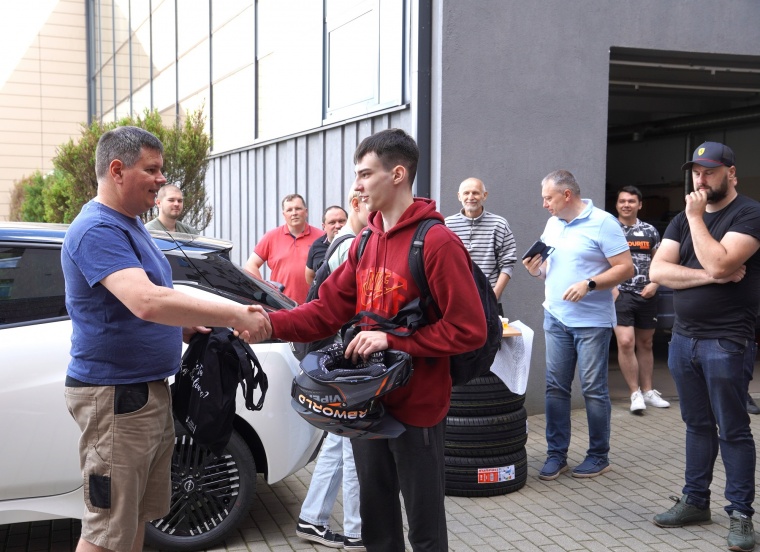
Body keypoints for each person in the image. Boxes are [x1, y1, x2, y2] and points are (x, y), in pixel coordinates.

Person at [260, 128, 486, 550]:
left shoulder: (436, 242)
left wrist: (394, 341)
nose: (357, 186)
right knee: (376, 526)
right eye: (357, 175)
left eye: (365, 174)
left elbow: (469, 329)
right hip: (367, 407)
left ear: (397, 174)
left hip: (418, 409)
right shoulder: (365, 241)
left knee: (425, 531)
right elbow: (325, 310)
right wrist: (269, 324)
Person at [61, 126, 271, 552]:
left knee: (137, 514)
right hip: (116, 399)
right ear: (117, 170)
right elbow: (146, 300)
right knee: (106, 529)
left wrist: (181, 328)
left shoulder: (130, 224)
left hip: (145, 394)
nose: (161, 179)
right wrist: (234, 312)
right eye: (151, 169)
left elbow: (135, 305)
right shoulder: (97, 229)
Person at [649, 141, 759, 552]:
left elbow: (719, 260)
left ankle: (741, 515)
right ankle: (695, 502)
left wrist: (697, 219)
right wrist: (712, 277)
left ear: (731, 173)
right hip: (684, 339)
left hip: (727, 340)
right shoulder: (681, 219)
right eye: (696, 172)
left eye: (709, 171)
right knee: (696, 426)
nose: (700, 179)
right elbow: (658, 271)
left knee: (732, 429)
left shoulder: (749, 213)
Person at [522, 169, 633, 481]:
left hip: (592, 322)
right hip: (555, 317)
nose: (544, 204)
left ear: (566, 195)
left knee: (593, 390)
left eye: (548, 198)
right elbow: (549, 268)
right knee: (555, 387)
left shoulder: (604, 223)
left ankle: (598, 456)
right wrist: (535, 270)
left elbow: (625, 268)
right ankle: (556, 455)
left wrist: (590, 283)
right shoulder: (553, 224)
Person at [296, 189, 369, 551]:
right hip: (346, 361)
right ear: (358, 206)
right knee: (354, 445)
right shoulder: (352, 246)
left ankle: (312, 518)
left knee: (339, 440)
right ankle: (357, 531)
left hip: (337, 358)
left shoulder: (342, 243)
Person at [612, 185, 670, 413]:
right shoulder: (609, 229)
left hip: (646, 294)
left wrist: (655, 284)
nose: (626, 205)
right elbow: (598, 260)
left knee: (646, 343)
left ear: (639, 205)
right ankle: (634, 393)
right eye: (622, 201)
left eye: (631, 201)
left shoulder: (650, 231)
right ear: (617, 204)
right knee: (626, 342)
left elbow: (660, 261)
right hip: (620, 294)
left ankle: (648, 391)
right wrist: (612, 289)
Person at [444, 177, 516, 313]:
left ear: (485, 195)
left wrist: (493, 296)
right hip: (457, 303)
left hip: (489, 301)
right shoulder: (447, 225)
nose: (471, 197)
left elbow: (508, 264)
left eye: (475, 193)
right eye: (466, 193)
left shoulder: (499, 224)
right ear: (459, 196)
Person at [243, 193, 324, 303]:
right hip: (281, 305)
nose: (294, 213)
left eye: (298, 208)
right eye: (289, 210)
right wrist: (264, 291)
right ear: (284, 214)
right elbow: (250, 265)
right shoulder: (271, 237)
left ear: (306, 212)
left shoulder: (321, 237)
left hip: (313, 304)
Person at [304, 205, 348, 286]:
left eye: (341, 221)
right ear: (324, 226)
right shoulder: (316, 246)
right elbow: (309, 276)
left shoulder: (355, 243)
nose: (338, 226)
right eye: (332, 222)